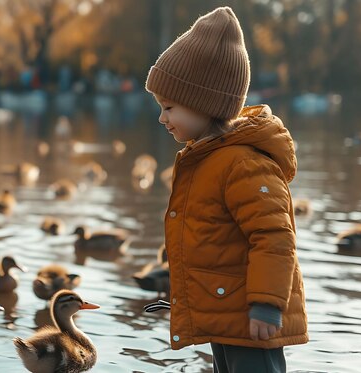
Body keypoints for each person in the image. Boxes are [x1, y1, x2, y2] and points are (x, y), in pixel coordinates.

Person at [143, 7, 307, 373]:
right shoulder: (208, 157)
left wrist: (266, 304)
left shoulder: (243, 163)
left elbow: (274, 237)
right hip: (226, 311)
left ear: (206, 104)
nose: (162, 118)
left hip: (253, 316)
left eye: (169, 107)